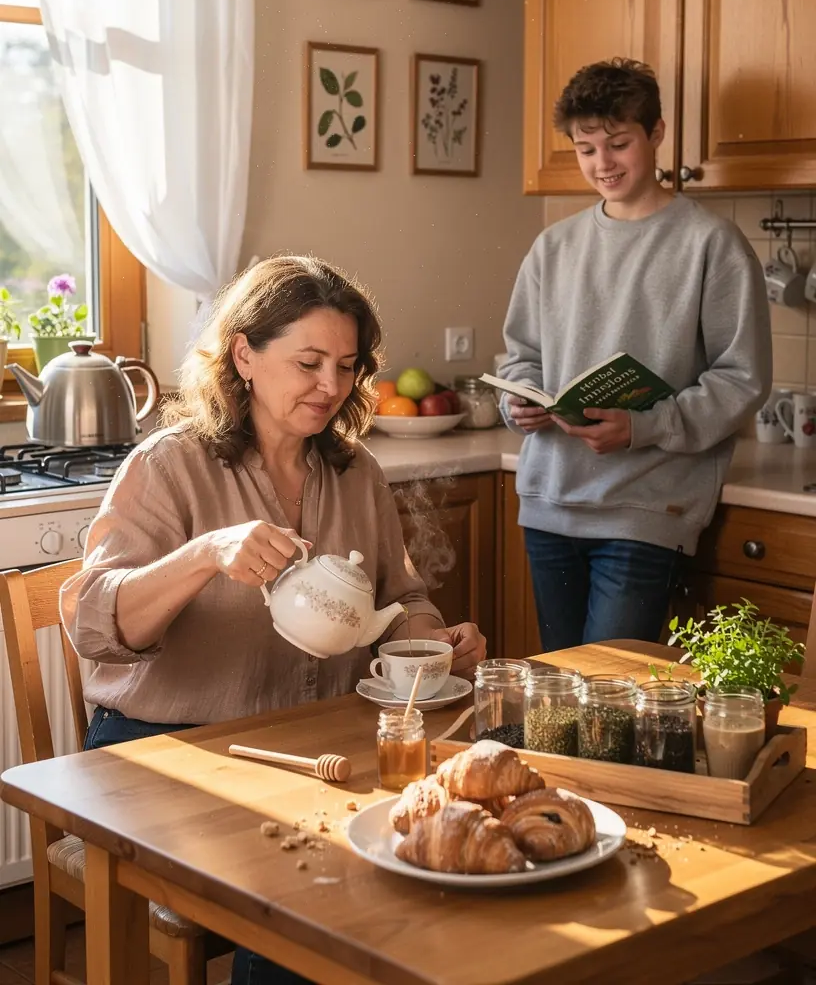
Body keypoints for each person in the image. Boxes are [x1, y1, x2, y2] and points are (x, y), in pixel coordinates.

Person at [61, 254, 486, 985]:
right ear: (244, 356)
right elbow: (94, 623)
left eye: (348, 366)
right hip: (165, 749)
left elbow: (403, 598)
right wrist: (205, 554)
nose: (331, 387)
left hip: (310, 746)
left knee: (415, 862)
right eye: (309, 362)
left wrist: (431, 642)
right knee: (302, 887)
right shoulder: (171, 466)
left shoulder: (356, 472)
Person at [499, 58, 771, 651]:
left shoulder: (711, 244)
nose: (603, 164)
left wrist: (643, 427)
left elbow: (741, 378)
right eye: (586, 149)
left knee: (608, 700)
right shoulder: (554, 246)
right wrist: (516, 401)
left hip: (647, 507)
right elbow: (520, 357)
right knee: (558, 698)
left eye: (618, 144)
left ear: (657, 134)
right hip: (549, 501)